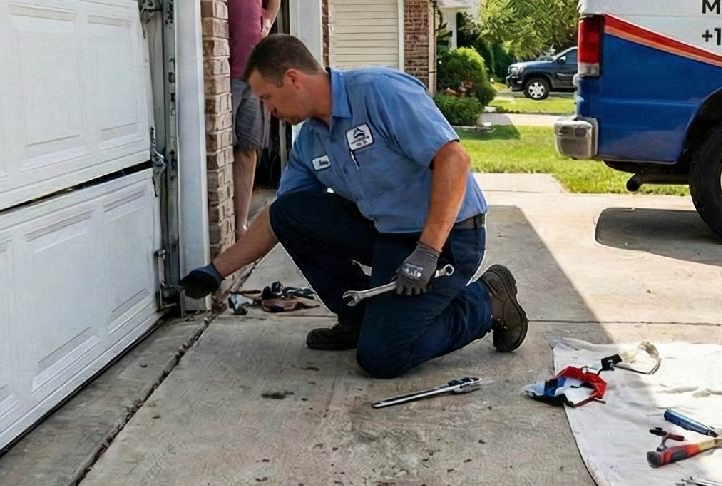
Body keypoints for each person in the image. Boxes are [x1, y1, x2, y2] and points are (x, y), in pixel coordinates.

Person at [179, 35, 527, 379]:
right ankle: (358, 318)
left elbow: (454, 160)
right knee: (290, 211)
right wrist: (215, 272)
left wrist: (427, 251)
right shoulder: (310, 141)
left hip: (448, 239)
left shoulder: (380, 92)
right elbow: (278, 218)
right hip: (390, 237)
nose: (269, 112)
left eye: (268, 99)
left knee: (383, 358)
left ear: (293, 78)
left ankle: (488, 299)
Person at [228, 0, 281, 235]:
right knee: (221, 148)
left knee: (248, 150)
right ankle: (224, 221)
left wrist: (267, 20)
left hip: (253, 74)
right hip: (224, 74)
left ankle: (240, 224)